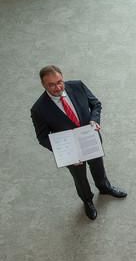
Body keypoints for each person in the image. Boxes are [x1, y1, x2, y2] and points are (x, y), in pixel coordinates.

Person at [30, 65, 127, 220]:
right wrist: (63, 153)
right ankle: (87, 200)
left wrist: (94, 121)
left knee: (97, 165)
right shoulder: (39, 109)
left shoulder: (77, 86)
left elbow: (95, 104)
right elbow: (42, 137)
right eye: (52, 85)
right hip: (70, 150)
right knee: (79, 176)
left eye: (60, 82)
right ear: (43, 85)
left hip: (90, 139)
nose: (58, 87)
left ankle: (104, 187)